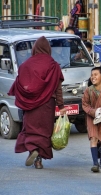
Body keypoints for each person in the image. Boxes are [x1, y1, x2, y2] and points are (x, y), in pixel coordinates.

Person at [8, 36, 66, 169]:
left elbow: (19, 84)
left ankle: (33, 152)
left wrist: (24, 98)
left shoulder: (26, 65)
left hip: (29, 104)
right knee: (44, 131)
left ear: (35, 48)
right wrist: (61, 106)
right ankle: (39, 160)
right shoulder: (53, 65)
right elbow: (58, 89)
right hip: (47, 105)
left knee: (31, 130)